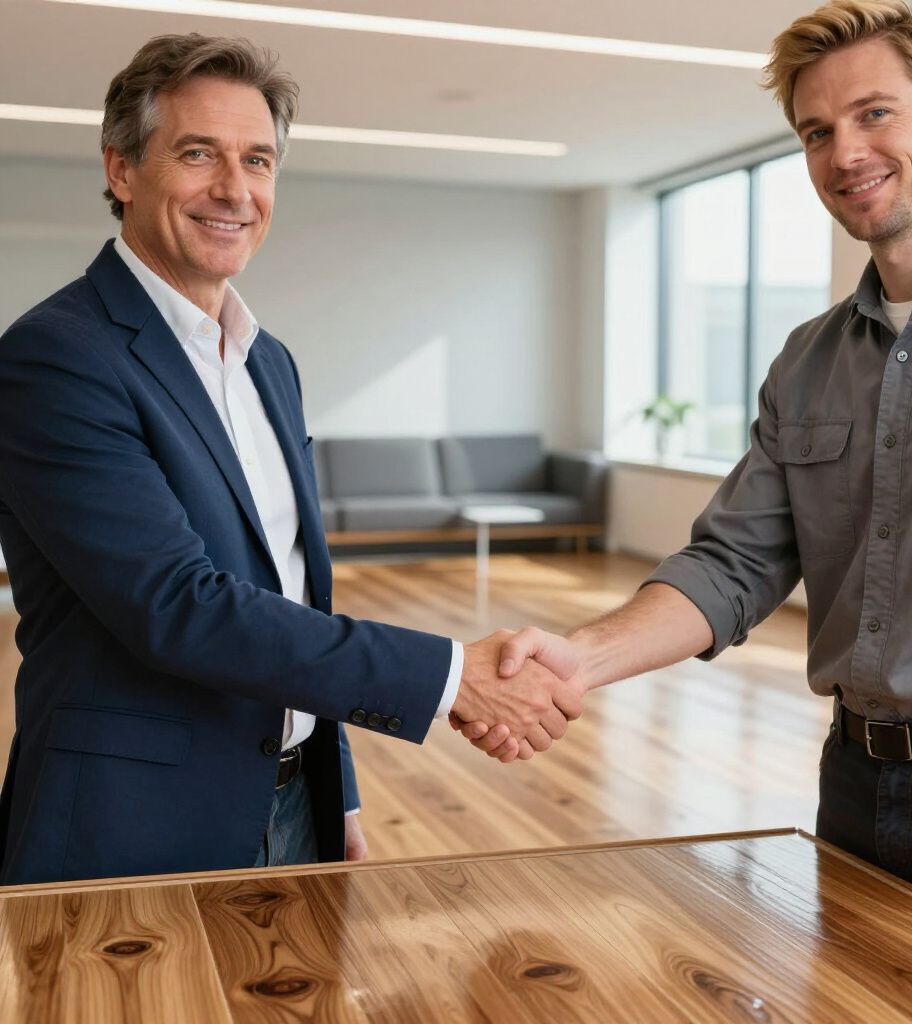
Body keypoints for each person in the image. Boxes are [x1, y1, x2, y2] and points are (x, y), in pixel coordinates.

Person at [462, 0, 912, 936]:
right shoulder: (807, 362)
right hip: (854, 781)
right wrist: (580, 658)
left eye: (875, 114)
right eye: (816, 131)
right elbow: (734, 565)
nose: (845, 153)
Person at [0, 33, 580, 885]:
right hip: (130, 823)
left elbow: (297, 591)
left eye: (260, 161)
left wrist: (331, 785)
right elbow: (178, 606)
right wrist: (452, 677)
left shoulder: (268, 361)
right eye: (199, 154)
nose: (236, 190)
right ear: (122, 170)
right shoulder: (56, 358)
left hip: (289, 800)